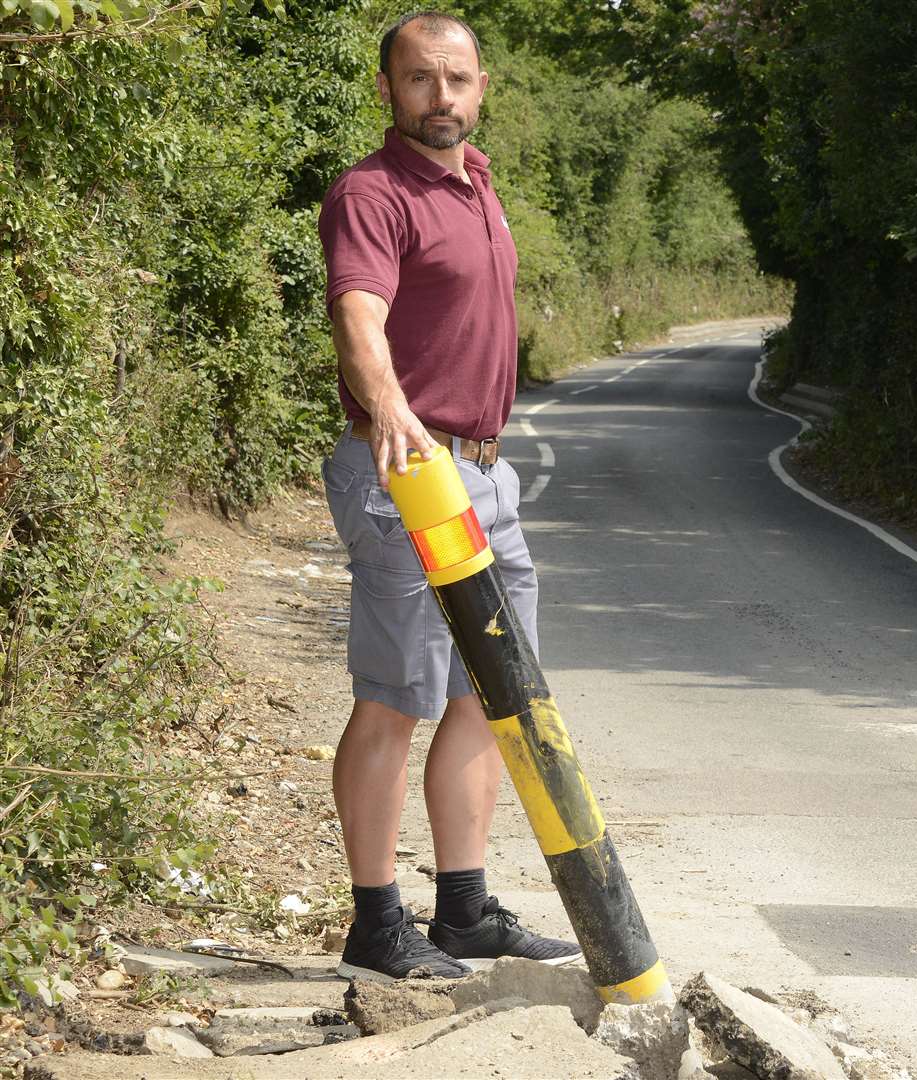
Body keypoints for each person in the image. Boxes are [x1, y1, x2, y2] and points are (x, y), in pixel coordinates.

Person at [316, 10, 580, 980]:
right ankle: (375, 923)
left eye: (457, 79)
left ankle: (462, 910)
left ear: (482, 86)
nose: (442, 98)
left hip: (487, 472)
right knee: (397, 700)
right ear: (388, 89)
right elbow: (358, 309)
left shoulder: (476, 181)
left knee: (492, 692)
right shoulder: (371, 192)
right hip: (409, 474)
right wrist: (389, 412)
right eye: (421, 79)